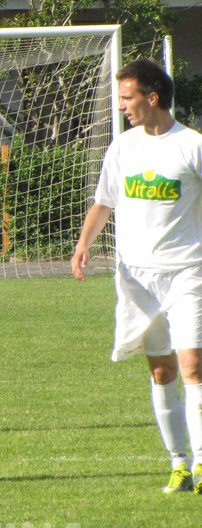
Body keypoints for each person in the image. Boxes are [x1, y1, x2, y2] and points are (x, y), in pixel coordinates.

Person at [71, 58, 202, 494]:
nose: (123, 106)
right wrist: (84, 242)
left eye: (127, 98)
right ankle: (179, 463)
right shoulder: (123, 146)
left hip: (188, 272)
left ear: (153, 97)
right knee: (161, 371)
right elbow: (104, 201)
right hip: (136, 278)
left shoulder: (192, 146)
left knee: (192, 366)